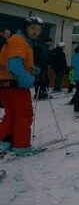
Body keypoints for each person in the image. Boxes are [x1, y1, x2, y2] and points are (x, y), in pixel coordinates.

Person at [0, 16, 44, 156]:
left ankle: (4, 141)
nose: (35, 32)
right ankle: (21, 146)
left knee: (11, 114)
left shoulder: (19, 41)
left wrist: (36, 70)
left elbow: (16, 62)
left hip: (5, 83)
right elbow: (14, 66)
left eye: (38, 30)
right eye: (32, 28)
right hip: (16, 85)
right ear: (25, 28)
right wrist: (32, 80)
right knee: (24, 114)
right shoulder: (19, 41)